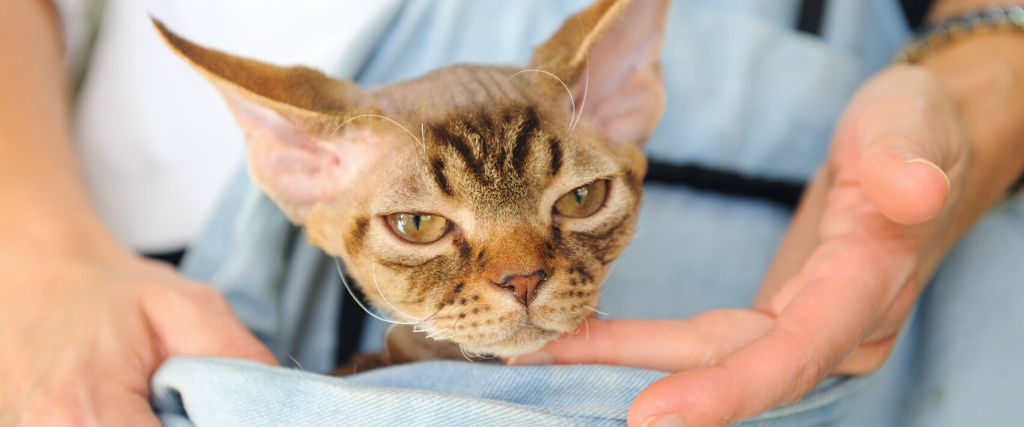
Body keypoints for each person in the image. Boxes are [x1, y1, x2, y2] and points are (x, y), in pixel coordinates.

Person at [2, 1, 1023, 427]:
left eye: (575, 201)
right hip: (142, 270)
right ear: (298, 162)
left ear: (624, 100)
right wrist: (37, 258)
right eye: (429, 226)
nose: (522, 276)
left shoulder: (604, 107)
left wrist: (984, 88)